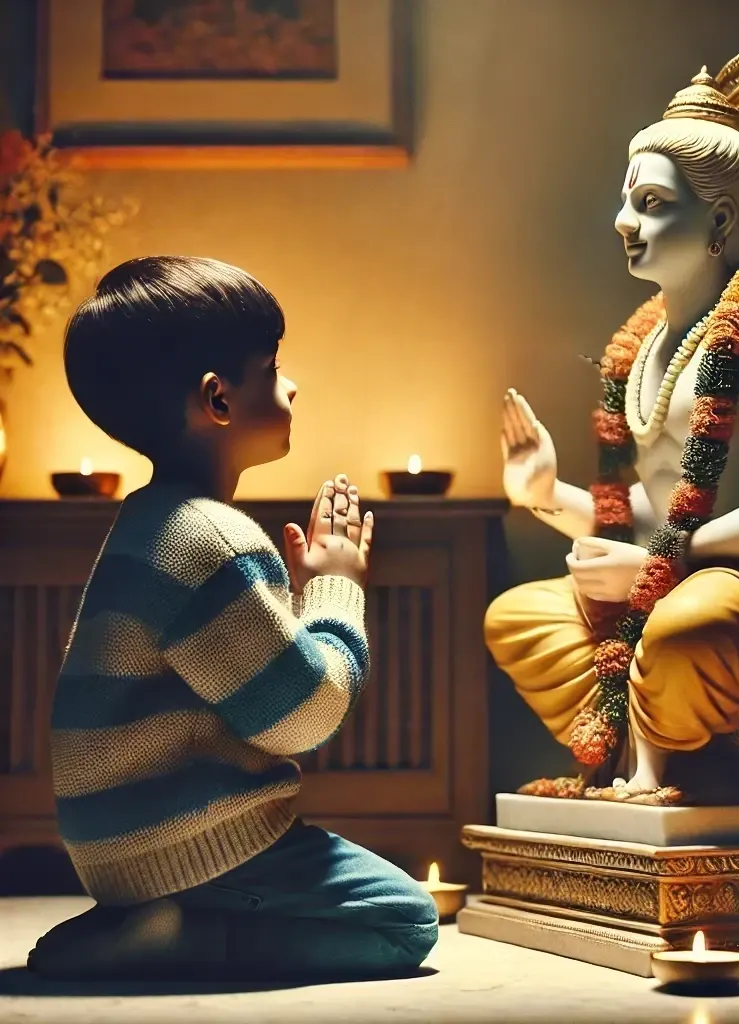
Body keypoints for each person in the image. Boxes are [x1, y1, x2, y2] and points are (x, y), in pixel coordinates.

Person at [28, 256, 438, 981]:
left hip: (113, 842)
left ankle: (145, 922)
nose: (292, 383)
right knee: (406, 921)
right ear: (218, 399)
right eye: (272, 367)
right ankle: (183, 938)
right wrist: (336, 590)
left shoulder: (149, 524)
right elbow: (303, 716)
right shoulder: (210, 540)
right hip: (188, 839)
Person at [486, 63, 739, 803]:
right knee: (514, 619)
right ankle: (633, 745)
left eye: (651, 203)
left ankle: (667, 745)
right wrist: (546, 495)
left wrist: (661, 565)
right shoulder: (643, 349)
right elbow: (651, 514)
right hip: (675, 573)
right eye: (624, 200)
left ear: (722, 222)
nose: (622, 221)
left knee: (676, 634)